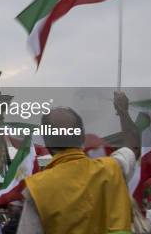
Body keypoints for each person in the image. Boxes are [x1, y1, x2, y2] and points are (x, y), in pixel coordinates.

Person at [17, 91, 140, 234]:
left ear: (46, 141)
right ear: (82, 136)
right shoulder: (112, 168)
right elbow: (133, 147)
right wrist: (122, 111)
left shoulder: (37, 189)